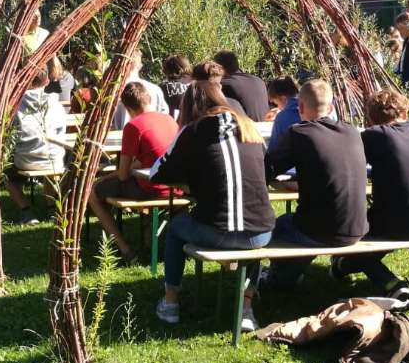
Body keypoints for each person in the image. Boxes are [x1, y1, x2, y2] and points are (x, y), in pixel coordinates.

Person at [150, 81, 275, 331]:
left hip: (216, 231)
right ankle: (246, 310)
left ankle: (171, 303)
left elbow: (157, 172)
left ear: (188, 106)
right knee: (252, 226)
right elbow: (268, 171)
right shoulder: (250, 128)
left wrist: (191, 179)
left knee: (175, 227)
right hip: (261, 234)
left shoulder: (193, 131)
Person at [261, 80, 368, 290]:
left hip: (319, 230)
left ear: (300, 107)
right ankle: (286, 277)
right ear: (330, 108)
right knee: (308, 224)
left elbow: (267, 169)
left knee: (274, 226)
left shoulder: (299, 133)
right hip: (358, 227)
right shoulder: (352, 132)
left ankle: (277, 278)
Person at [335, 88, 409, 302]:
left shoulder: (374, 135)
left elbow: (349, 163)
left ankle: (388, 282)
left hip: (393, 223)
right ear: (404, 112)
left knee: (349, 230)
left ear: (372, 117)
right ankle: (343, 265)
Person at [88, 82, 180, 260]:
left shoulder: (133, 126)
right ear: (149, 98)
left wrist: (106, 176)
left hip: (151, 188)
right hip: (176, 187)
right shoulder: (169, 119)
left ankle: (125, 250)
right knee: (108, 185)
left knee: (92, 192)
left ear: (126, 107)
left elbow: (122, 175)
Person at [6, 68, 68, 223]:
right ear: (47, 82)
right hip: (54, 159)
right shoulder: (56, 104)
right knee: (50, 166)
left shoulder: (14, 105)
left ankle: (26, 211)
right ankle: (51, 208)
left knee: (6, 173)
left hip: (27, 160)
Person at [111, 47, 168, 129]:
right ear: (140, 65)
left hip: (120, 140)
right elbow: (164, 118)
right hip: (150, 138)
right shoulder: (155, 90)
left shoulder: (112, 91)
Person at [214, 50, 270, 121]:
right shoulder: (258, 80)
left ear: (220, 68)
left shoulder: (225, 84)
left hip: (246, 129)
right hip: (265, 128)